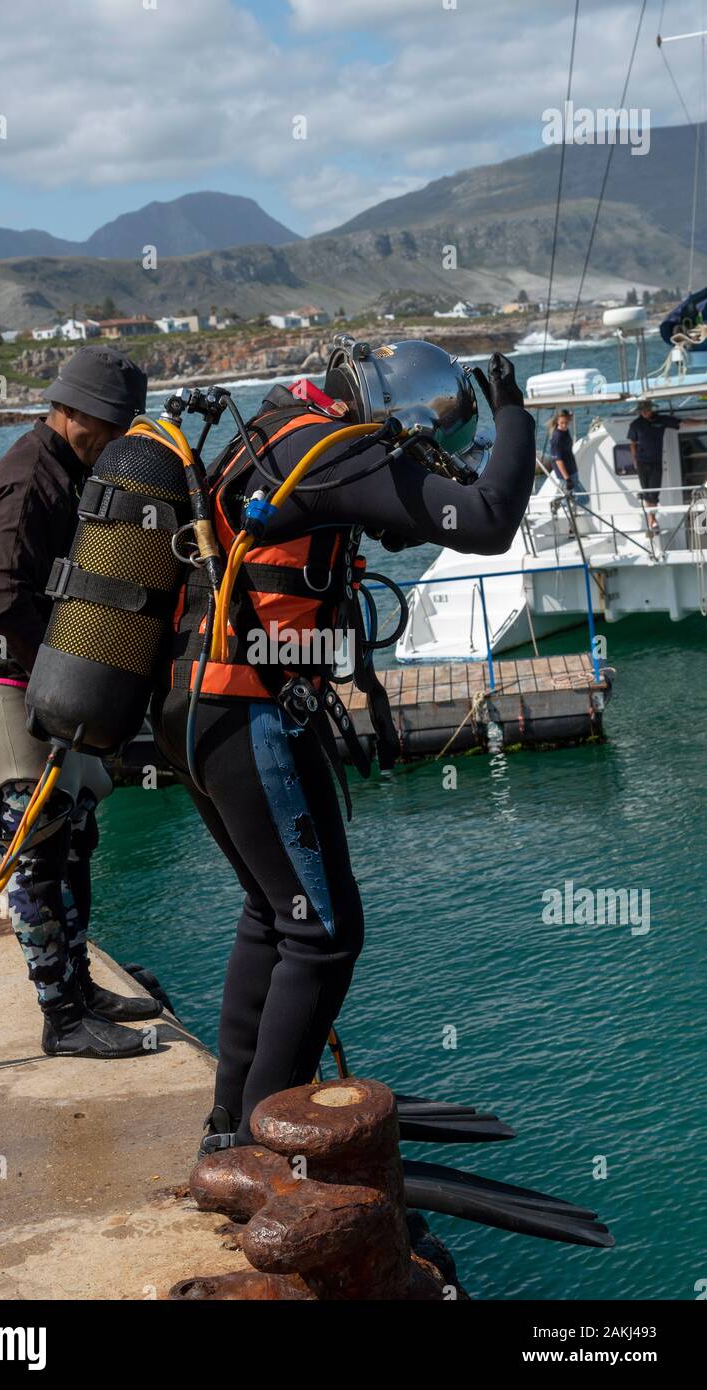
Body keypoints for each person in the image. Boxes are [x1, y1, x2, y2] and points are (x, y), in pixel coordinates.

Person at [151, 342, 537, 1151]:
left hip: (194, 708)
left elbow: (366, 523)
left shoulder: (279, 428)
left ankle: (232, 1123)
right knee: (323, 937)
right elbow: (490, 521)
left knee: (275, 914)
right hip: (247, 708)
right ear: (393, 413)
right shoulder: (343, 451)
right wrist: (513, 414)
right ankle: (267, 1146)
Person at [0, 345, 161, 1058]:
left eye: (118, 427)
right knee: (38, 850)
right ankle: (62, 1020)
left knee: (76, 834)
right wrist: (64, 674)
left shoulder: (70, 472)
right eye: (102, 424)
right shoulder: (27, 481)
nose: (108, 438)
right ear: (68, 408)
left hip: (51, 681)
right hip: (10, 684)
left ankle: (79, 984)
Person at [626, 399, 702, 534]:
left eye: (647, 409)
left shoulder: (661, 420)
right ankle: (653, 521)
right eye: (642, 410)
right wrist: (634, 460)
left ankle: (652, 519)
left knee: (654, 493)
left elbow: (682, 422)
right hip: (642, 462)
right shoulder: (635, 425)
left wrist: (703, 422)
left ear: (652, 409)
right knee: (648, 492)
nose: (645, 412)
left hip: (656, 461)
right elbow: (633, 443)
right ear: (639, 411)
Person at [548, 409, 586, 502]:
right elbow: (558, 460)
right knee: (583, 499)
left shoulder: (564, 431)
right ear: (557, 422)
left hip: (572, 471)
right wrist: (567, 479)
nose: (564, 425)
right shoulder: (557, 438)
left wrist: (570, 414)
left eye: (566, 422)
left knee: (575, 498)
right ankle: (559, 505)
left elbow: (569, 417)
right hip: (566, 475)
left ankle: (564, 506)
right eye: (562, 423)